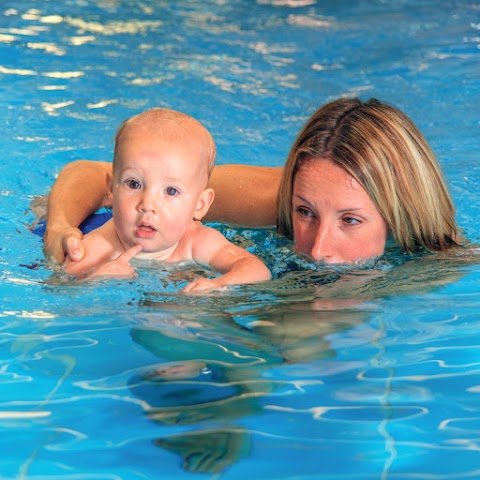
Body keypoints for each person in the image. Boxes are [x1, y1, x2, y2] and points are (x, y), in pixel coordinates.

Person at [43, 97, 461, 267]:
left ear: (403, 214)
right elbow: (98, 176)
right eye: (305, 213)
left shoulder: (440, 262)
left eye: (351, 221)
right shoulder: (269, 200)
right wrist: (60, 226)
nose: (316, 249)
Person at [60, 107, 271, 292]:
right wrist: (97, 279)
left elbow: (256, 270)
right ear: (111, 189)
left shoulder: (197, 241)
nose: (147, 205)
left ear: (200, 205)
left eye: (171, 191)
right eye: (134, 184)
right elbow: (59, 289)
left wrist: (220, 284)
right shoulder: (100, 245)